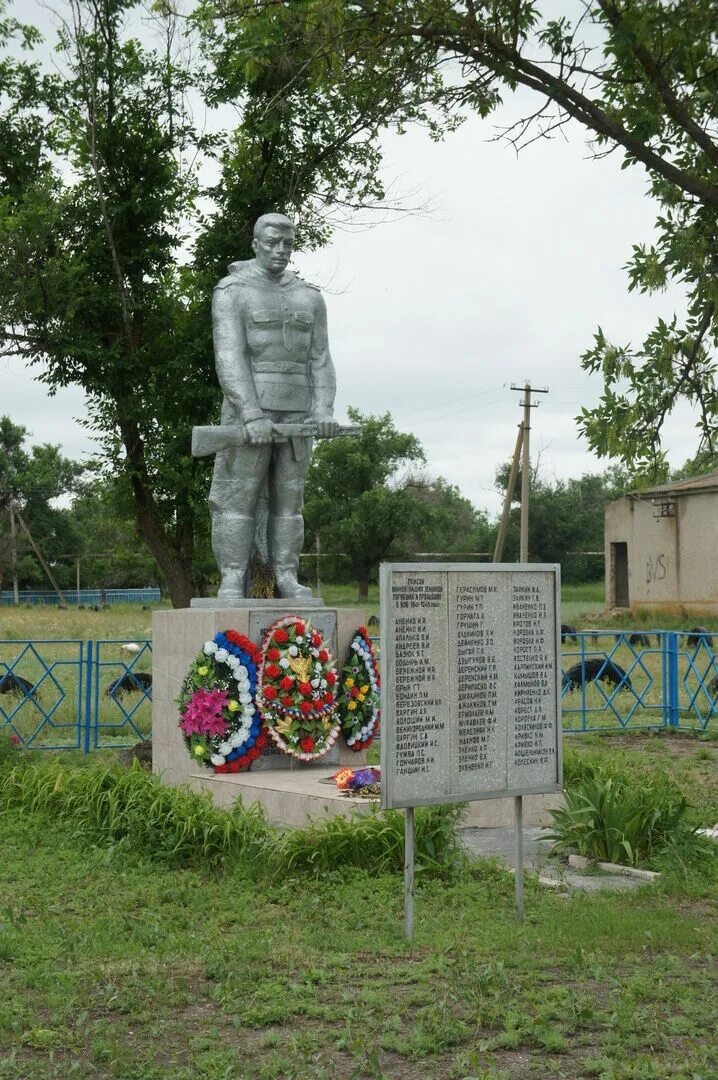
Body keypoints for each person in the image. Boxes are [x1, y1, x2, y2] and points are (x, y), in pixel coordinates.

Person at [208, 213, 338, 600]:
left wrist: (324, 409)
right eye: (271, 242)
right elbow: (229, 356)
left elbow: (321, 359)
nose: (280, 250)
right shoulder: (232, 292)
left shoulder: (310, 297)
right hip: (249, 413)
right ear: (255, 243)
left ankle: (286, 575)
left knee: (290, 501)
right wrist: (250, 412)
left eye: (287, 243)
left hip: (299, 413)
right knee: (239, 497)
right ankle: (232, 576)